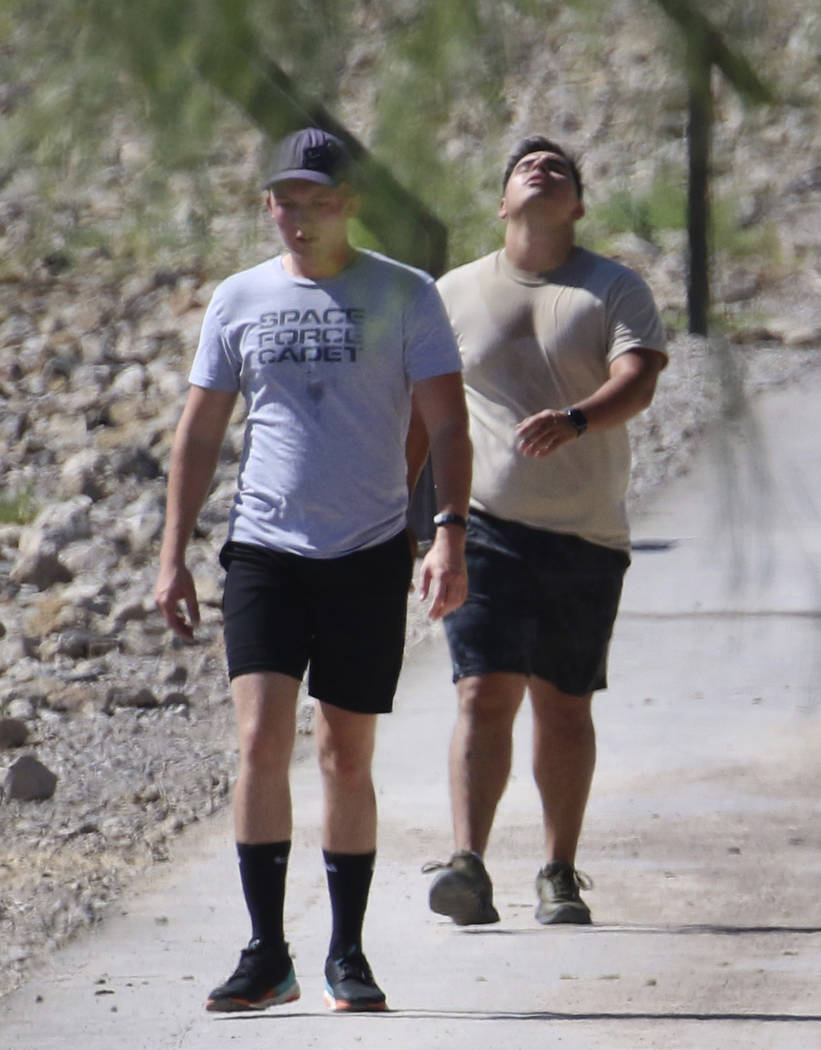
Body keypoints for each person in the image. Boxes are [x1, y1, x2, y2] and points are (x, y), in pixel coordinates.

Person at [155, 127, 471, 1013]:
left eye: (318, 199)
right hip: (264, 546)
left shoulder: (402, 294)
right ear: (269, 206)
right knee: (258, 741)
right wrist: (172, 552)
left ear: (351, 204)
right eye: (285, 200)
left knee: (343, 753)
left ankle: (347, 952)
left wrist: (446, 532)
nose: (299, 216)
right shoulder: (238, 298)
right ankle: (265, 952)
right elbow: (201, 431)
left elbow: (447, 423)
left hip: (369, 548)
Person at [425, 134, 667, 928]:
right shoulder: (453, 292)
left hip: (586, 533)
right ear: (501, 204)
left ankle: (558, 871)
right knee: (480, 691)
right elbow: (424, 412)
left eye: (558, 168)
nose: (541, 168)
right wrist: (430, 526)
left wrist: (575, 419)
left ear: (578, 205)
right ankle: (467, 864)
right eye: (525, 167)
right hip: (486, 525)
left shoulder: (612, 288)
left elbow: (637, 380)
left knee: (563, 703)